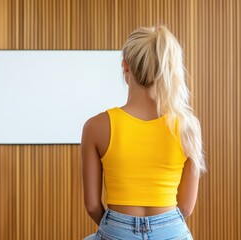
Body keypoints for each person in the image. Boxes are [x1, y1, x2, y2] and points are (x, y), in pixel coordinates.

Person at [82, 26, 206, 240]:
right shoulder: (187, 125)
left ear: (125, 67)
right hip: (171, 228)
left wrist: (118, 229)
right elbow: (186, 207)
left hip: (116, 228)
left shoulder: (96, 126)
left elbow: (93, 205)